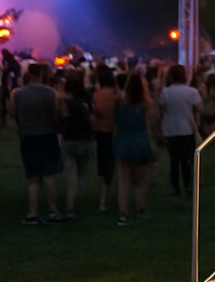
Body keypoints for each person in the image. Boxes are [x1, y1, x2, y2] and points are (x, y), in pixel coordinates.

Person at [10, 62, 63, 223]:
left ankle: (32, 213)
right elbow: (55, 115)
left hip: (28, 135)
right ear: (41, 75)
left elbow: (14, 114)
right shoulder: (50, 93)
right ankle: (53, 210)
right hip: (47, 134)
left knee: (33, 176)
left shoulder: (19, 94)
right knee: (49, 175)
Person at [112, 72, 156, 225]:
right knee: (140, 182)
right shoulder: (144, 107)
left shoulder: (120, 106)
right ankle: (140, 211)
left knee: (123, 182)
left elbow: (116, 126)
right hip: (140, 144)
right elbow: (148, 128)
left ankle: (123, 215)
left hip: (123, 143)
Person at [160, 63, 202, 197]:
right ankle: (187, 185)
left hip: (170, 129)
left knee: (174, 160)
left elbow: (162, 111)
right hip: (187, 129)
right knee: (186, 160)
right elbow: (201, 108)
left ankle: (176, 187)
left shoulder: (166, 92)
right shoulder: (191, 92)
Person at [60, 72, 95, 219]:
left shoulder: (64, 100)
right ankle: (72, 198)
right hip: (85, 139)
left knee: (70, 174)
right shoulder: (87, 97)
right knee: (82, 172)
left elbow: (60, 118)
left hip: (68, 140)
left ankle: (70, 204)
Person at [93, 63, 119, 211]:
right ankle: (109, 197)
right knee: (113, 165)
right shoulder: (116, 96)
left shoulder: (97, 95)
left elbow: (95, 114)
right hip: (114, 131)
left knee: (102, 166)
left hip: (101, 132)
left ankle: (103, 199)